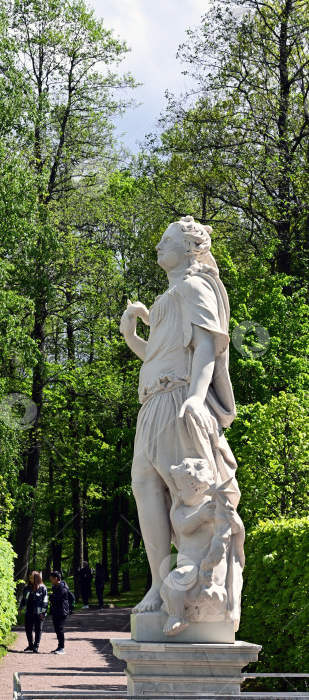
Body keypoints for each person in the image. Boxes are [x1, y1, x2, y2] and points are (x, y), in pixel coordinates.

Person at [119, 215, 245, 631]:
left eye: (166, 239)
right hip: (154, 402)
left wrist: (195, 395)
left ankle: (185, 590)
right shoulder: (171, 293)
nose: (158, 246)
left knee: (185, 495)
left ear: (190, 248)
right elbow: (158, 354)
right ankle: (159, 584)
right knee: (145, 486)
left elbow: (207, 345)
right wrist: (131, 335)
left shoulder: (194, 287)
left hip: (177, 399)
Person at [18, 571, 48, 652]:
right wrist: (20, 608)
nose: (31, 579)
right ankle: (30, 645)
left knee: (38, 629)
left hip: (38, 612)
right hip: (29, 612)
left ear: (37, 578)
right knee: (28, 628)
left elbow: (45, 601)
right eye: (30, 578)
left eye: (32, 578)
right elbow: (24, 600)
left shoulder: (42, 588)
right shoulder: (27, 588)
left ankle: (36, 646)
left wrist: (43, 612)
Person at [49, 571, 69, 654]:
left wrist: (51, 597)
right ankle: (59, 646)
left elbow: (55, 599)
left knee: (59, 629)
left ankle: (62, 647)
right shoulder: (57, 587)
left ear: (56, 578)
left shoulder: (62, 588)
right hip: (57, 610)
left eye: (51, 579)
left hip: (61, 611)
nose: (50, 581)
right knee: (57, 629)